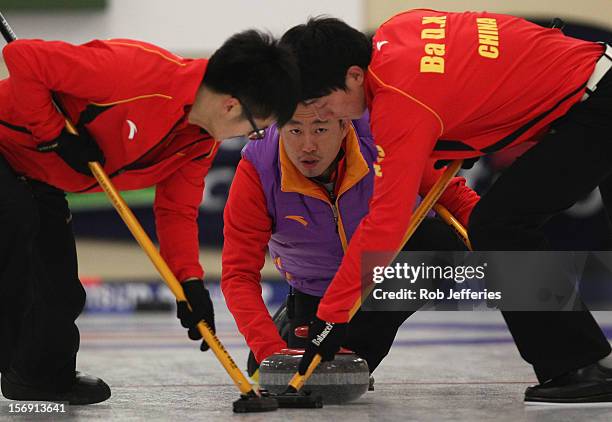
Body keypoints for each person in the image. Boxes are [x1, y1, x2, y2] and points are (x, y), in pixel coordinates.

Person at [280, 11, 612, 404]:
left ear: (353, 76)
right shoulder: (396, 32)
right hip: (593, 78)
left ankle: (578, 365)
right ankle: (579, 362)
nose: (324, 116)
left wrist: (332, 317)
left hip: (594, 105)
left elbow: (386, 224)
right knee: (495, 226)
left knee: (501, 224)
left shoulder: (399, 102)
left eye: (321, 103)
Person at [0, 31, 299, 404]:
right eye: (255, 129)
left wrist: (187, 283)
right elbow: (23, 55)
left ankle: (36, 378)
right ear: (230, 106)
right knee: (15, 225)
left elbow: (176, 212)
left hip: (38, 175)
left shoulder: (198, 141)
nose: (250, 137)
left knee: (58, 289)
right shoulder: (135, 73)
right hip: (7, 146)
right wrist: (54, 135)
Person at [221, 103, 478, 381]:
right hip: (317, 286)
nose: (307, 145)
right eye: (295, 130)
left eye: (320, 129)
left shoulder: (384, 137)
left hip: (380, 276)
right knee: (284, 375)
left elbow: (456, 201)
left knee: (438, 241)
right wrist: (269, 350)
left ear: (345, 126)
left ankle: (357, 340)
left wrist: (522, 259)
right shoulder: (257, 169)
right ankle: (295, 318)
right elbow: (238, 273)